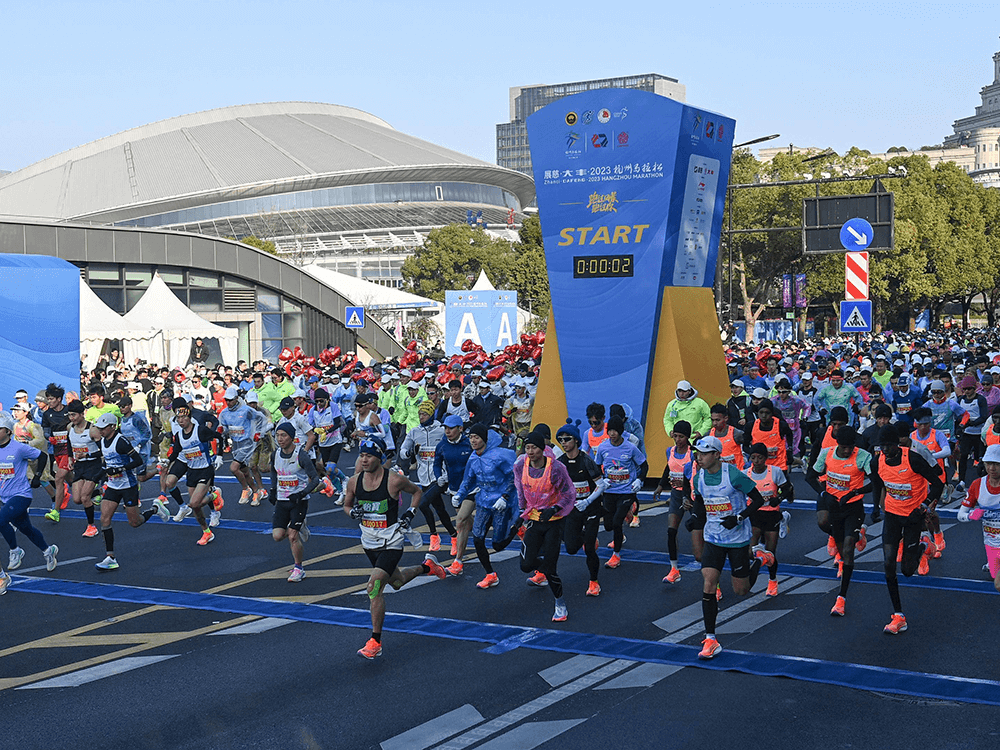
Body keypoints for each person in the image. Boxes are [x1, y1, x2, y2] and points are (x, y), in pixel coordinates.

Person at [342, 437, 445, 659]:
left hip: (392, 540)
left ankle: (375, 642)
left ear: (379, 457)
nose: (364, 459)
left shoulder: (394, 480)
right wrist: (352, 513)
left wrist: (410, 513)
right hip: (369, 541)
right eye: (362, 455)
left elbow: (417, 492)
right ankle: (427, 567)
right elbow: (347, 504)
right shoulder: (354, 481)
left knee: (374, 586)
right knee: (396, 582)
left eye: (369, 455)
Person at [689, 435, 766, 659]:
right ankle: (711, 639)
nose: (699, 458)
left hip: (737, 538)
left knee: (741, 591)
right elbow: (700, 502)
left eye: (704, 454)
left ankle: (760, 558)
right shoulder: (698, 477)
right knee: (709, 583)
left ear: (716, 455)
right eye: (698, 454)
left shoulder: (733, 475)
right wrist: (695, 516)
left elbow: (758, 500)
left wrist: (739, 517)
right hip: (713, 536)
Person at [871, 423, 944, 634]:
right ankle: (898, 615)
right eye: (881, 446)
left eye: (889, 445)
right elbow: (877, 484)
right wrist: (876, 507)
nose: (885, 450)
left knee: (907, 571)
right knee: (888, 564)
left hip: (913, 517)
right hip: (893, 515)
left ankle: (924, 545)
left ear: (897, 443)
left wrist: (923, 506)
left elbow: (937, 484)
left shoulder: (912, 458)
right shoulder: (878, 461)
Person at [92, 412, 170, 571]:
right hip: (113, 486)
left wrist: (120, 468)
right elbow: (106, 465)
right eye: (99, 428)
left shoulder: (121, 442)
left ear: (112, 427)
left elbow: (138, 460)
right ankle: (110, 557)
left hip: (128, 486)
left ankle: (155, 509)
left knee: (135, 523)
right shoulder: (103, 442)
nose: (100, 430)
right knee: (104, 519)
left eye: (103, 428)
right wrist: (96, 480)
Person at [513, 431, 576, 621]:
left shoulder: (556, 468)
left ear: (542, 449)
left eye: (534, 448)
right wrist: (521, 513)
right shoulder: (520, 465)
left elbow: (569, 493)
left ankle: (560, 603)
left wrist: (555, 508)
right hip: (534, 518)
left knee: (550, 567)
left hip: (553, 522)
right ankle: (546, 569)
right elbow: (520, 488)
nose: (530, 451)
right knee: (526, 565)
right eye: (527, 447)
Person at [811, 426, 872, 615]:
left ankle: (841, 598)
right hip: (835, 508)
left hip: (853, 507)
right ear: (837, 444)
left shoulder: (863, 456)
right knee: (841, 546)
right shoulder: (827, 454)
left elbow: (875, 481)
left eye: (850, 447)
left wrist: (856, 492)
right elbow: (811, 476)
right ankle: (858, 536)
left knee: (847, 551)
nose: (847, 451)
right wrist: (823, 493)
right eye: (844, 447)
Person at [452, 423, 519, 589]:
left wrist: (505, 497)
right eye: (471, 437)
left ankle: (517, 527)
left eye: (477, 437)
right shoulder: (473, 458)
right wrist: (459, 494)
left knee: (498, 544)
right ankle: (490, 574)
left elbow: (514, 476)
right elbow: (468, 480)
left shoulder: (500, 456)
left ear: (485, 439)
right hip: (483, 501)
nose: (473, 441)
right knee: (478, 538)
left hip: (500, 504)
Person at [0, 411, 59, 594]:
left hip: (21, 495)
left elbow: (42, 456)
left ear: (8, 431)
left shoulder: (18, 448)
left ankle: (15, 550)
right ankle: (48, 550)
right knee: (26, 528)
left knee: (0, 520)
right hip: (4, 496)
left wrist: (38, 476)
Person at [556, 420, 606, 596]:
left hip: (590, 509)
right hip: (572, 509)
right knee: (570, 548)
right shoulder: (560, 462)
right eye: (560, 440)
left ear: (576, 440)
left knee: (590, 548)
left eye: (567, 439)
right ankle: (584, 537)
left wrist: (588, 500)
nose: (564, 443)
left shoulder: (586, 460)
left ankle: (594, 582)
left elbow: (602, 485)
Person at [398, 401, 457, 553]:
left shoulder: (441, 429)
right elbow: (403, 451)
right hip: (423, 475)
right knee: (440, 509)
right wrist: (411, 451)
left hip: (440, 475)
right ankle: (454, 536)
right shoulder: (414, 431)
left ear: (431, 414)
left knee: (423, 504)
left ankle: (433, 535)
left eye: (424, 414)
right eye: (419, 414)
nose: (421, 417)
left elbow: (452, 444)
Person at [269, 421, 320, 581]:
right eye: (277, 435)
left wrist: (302, 493)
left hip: (299, 500)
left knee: (292, 536)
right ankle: (298, 526)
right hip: (282, 500)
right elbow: (273, 472)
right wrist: (273, 490)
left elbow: (315, 479)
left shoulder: (301, 455)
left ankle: (299, 568)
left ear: (291, 437)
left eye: (283, 435)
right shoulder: (275, 454)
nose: (280, 439)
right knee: (277, 536)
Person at [595, 415, 648, 569]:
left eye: (615, 431)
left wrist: (640, 480)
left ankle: (616, 556)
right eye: (610, 430)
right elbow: (597, 466)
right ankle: (628, 513)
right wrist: (601, 480)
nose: (612, 434)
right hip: (610, 490)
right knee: (609, 525)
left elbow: (644, 465)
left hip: (626, 491)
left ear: (620, 431)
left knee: (617, 522)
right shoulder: (603, 447)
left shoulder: (630, 448)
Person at [169, 402, 223, 546]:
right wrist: (165, 462)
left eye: (183, 417)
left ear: (189, 418)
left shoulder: (200, 430)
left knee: (194, 503)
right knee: (196, 508)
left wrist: (219, 455)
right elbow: (175, 453)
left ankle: (215, 494)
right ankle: (207, 532)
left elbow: (219, 437)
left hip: (205, 469)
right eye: (178, 418)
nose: (180, 420)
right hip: (192, 471)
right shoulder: (179, 435)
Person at [745, 442, 794, 596]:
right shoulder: (745, 474)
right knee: (750, 552)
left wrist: (778, 499)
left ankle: (772, 580)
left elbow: (787, 489)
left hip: (771, 514)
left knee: (770, 554)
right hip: (754, 514)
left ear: (765, 458)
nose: (756, 461)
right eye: (753, 457)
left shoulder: (775, 472)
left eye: (760, 458)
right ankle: (758, 554)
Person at [653, 420, 697, 583]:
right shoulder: (669, 451)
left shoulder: (693, 453)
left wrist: (688, 488)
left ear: (687, 437)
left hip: (692, 496)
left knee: (700, 532)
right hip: (676, 495)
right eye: (676, 436)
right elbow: (668, 467)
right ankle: (674, 569)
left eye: (681, 437)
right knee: (671, 531)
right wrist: (660, 485)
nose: (678, 440)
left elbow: (696, 472)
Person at [434, 414, 476, 576]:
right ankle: (481, 525)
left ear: (460, 429)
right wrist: (439, 477)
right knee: (467, 523)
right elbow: (437, 464)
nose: (447, 431)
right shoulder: (442, 445)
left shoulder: (469, 443)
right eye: (445, 428)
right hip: (454, 489)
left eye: (451, 428)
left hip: (472, 489)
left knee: (460, 522)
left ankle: (458, 561)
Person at [957, 443, 1000, 592]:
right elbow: (960, 515)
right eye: (989, 464)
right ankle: (993, 563)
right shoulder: (977, 485)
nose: (992, 468)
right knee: (995, 575)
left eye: (996, 464)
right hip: (991, 541)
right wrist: (971, 515)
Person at [219, 385, 267, 504]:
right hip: (236, 444)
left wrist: (258, 433)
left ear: (236, 398)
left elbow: (261, 418)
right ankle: (256, 491)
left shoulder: (246, 410)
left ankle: (245, 488)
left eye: (231, 400)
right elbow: (224, 427)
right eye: (227, 400)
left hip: (247, 444)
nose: (229, 402)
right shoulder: (224, 413)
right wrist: (222, 430)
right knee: (245, 471)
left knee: (233, 468)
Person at [66, 399, 103, 537]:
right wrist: (70, 458)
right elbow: (69, 444)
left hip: (93, 465)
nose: (72, 418)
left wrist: (87, 454)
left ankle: (91, 526)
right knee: (77, 499)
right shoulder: (70, 427)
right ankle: (100, 491)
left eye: (74, 415)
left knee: (85, 497)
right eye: (70, 415)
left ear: (82, 414)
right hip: (79, 465)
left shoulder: (92, 430)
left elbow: (103, 450)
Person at [40, 382, 72, 522]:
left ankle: (56, 512)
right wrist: (50, 437)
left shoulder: (69, 410)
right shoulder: (47, 414)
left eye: (52, 399)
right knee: (71, 479)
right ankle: (97, 492)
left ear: (59, 399)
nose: (49, 401)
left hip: (70, 450)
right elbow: (46, 432)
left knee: (59, 478)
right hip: (57, 450)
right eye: (48, 399)